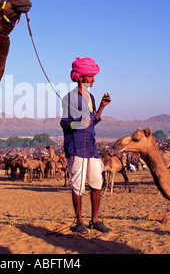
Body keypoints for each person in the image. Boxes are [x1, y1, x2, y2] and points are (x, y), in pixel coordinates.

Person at [60, 57, 111, 234]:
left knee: (97, 182)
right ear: (81, 77)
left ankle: (95, 220)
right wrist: (77, 124)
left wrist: (102, 107)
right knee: (77, 185)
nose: (94, 79)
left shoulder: (92, 97)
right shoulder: (69, 98)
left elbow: (92, 122)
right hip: (76, 146)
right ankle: (79, 221)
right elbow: (64, 123)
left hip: (91, 146)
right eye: (90, 76)